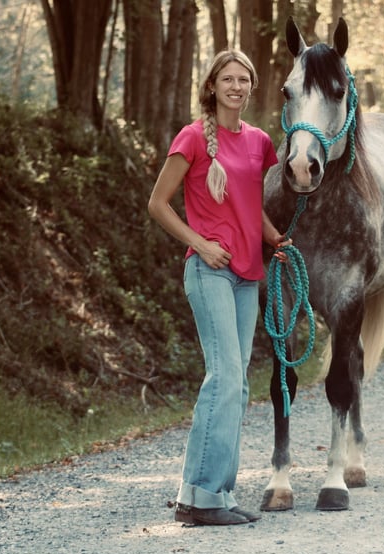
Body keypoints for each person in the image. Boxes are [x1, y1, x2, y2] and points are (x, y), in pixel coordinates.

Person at [148, 50, 289, 526]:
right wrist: (200, 245)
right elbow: (158, 204)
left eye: (244, 79)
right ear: (212, 86)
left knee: (238, 382)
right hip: (209, 271)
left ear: (252, 87)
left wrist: (274, 238)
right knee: (224, 376)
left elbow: (250, 206)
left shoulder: (261, 142)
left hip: (249, 274)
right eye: (228, 79)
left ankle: (219, 494)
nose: (236, 86)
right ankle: (199, 497)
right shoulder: (191, 137)